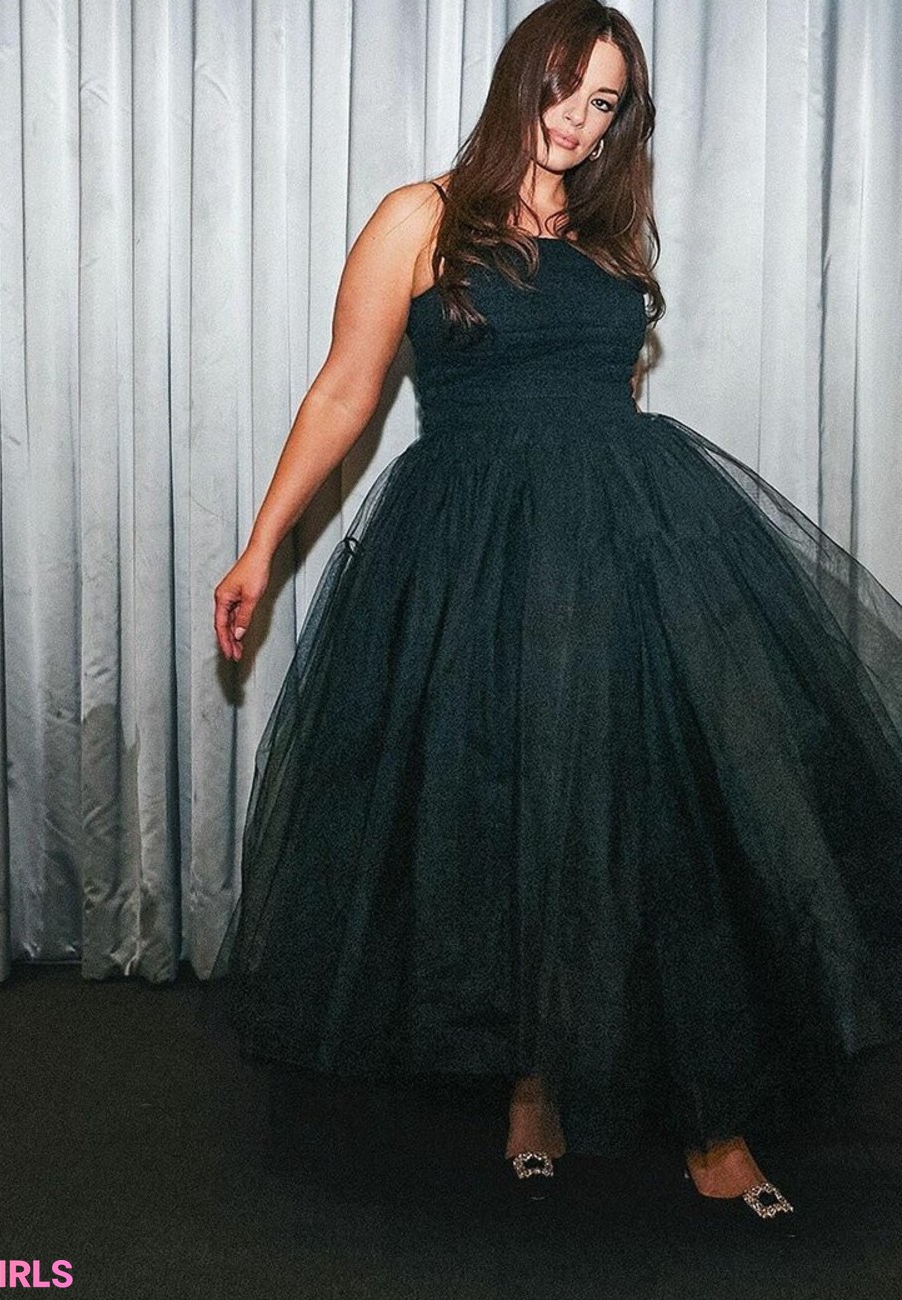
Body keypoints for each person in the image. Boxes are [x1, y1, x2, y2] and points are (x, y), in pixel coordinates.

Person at [211, 0, 902, 1228]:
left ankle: (714, 1124)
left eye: (605, 103)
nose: (579, 121)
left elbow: (608, 397)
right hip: (473, 558)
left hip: (629, 549)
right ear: (518, 77)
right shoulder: (421, 217)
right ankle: (532, 1085)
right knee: (506, 814)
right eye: (565, 88)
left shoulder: (609, 237)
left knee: (654, 819)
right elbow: (346, 392)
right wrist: (262, 546)